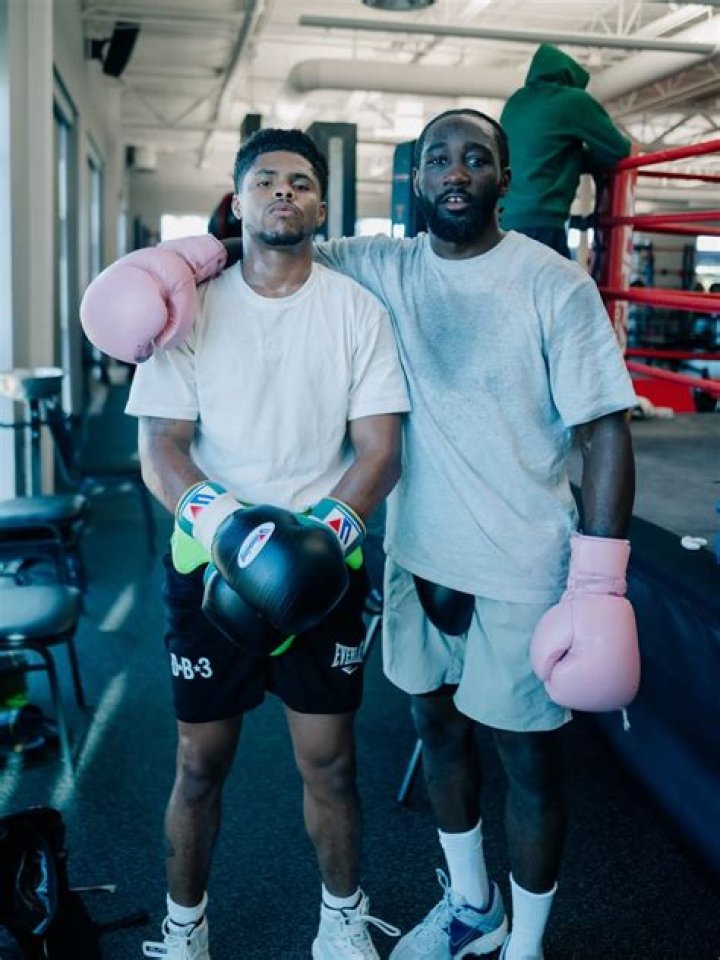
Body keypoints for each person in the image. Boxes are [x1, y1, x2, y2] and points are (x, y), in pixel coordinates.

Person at [83, 108, 640, 960]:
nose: (456, 172)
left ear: (504, 178)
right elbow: (258, 265)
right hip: (393, 558)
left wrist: (599, 580)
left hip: (488, 560)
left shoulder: (538, 285)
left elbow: (589, 429)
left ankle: (494, 942)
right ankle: (466, 907)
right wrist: (173, 264)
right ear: (416, 180)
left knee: (502, 762)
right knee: (419, 736)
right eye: (439, 159)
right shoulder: (374, 268)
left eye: (476, 158)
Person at [84, 128, 410, 960]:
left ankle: (342, 922)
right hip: (209, 567)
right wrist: (229, 528)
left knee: (331, 764)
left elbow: (379, 451)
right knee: (199, 763)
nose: (283, 193)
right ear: (239, 200)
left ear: (321, 206)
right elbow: (161, 446)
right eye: (265, 180)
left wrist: (312, 547)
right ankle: (184, 927)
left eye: (300, 182)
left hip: (323, 571)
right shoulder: (190, 308)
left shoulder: (357, 312)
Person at [499, 43, 632, 258]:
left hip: (501, 221)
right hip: (541, 221)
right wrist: (579, 158)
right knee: (557, 279)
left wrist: (571, 158)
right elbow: (619, 148)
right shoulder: (573, 100)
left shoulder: (516, 101)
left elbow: (537, 152)